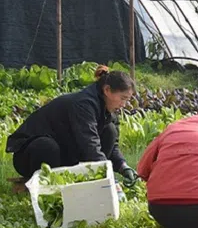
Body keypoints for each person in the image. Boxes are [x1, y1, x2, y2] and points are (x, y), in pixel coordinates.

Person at [6, 65, 138, 186]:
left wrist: (123, 166)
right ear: (107, 90)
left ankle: (87, 178)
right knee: (47, 146)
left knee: (110, 131)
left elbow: (112, 145)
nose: (124, 104)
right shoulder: (84, 105)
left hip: (64, 150)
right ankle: (45, 184)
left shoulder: (109, 109)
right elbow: (89, 143)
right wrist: (108, 177)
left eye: (127, 100)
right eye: (123, 98)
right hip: (30, 154)